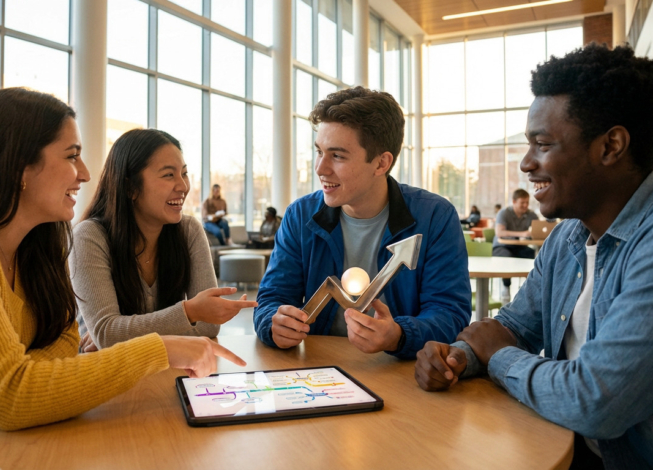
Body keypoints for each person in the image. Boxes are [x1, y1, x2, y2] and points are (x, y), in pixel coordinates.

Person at [0, 88, 244, 469]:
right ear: (19, 165)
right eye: (72, 156)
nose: (86, 173)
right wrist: (160, 349)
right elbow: (12, 398)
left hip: (8, 451)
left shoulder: (37, 243)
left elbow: (63, 340)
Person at [414, 44, 653, 469]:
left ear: (611, 146)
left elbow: (594, 401)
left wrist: (497, 356)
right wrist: (460, 357)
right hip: (562, 446)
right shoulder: (567, 239)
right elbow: (513, 327)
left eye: (542, 144)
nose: (526, 163)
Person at [254, 87, 471, 358]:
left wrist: (398, 336)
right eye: (319, 152)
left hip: (401, 375)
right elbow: (271, 300)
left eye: (338, 156)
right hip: (316, 370)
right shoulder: (300, 216)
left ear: (381, 163)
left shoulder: (435, 217)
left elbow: (451, 314)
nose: (320, 168)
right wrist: (273, 324)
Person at [71, 129, 257, 350]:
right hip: (107, 377)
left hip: (167, 369)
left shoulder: (188, 231)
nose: (183, 186)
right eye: (169, 175)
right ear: (130, 187)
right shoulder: (89, 236)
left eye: (184, 174)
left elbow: (208, 326)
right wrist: (189, 313)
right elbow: (108, 334)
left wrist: (124, 334)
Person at [493, 188, 540, 301]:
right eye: (522, 202)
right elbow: (499, 232)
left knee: (533, 255)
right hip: (502, 246)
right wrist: (522, 233)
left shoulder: (531, 215)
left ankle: (528, 289)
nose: (525, 205)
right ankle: (506, 287)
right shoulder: (504, 213)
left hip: (520, 246)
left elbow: (539, 230)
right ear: (514, 202)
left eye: (527, 202)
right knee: (505, 257)